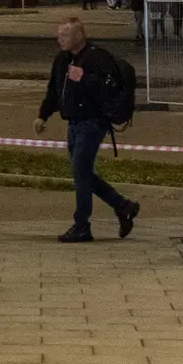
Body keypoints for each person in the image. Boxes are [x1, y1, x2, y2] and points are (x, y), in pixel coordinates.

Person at [35, 17, 140, 243]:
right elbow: (54, 90)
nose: (60, 39)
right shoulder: (62, 60)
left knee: (80, 170)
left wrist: (84, 78)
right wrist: (43, 115)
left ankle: (82, 225)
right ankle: (123, 206)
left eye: (65, 35)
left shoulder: (97, 58)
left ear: (79, 36)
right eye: (59, 35)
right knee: (81, 173)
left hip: (93, 123)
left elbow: (109, 89)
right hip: (73, 123)